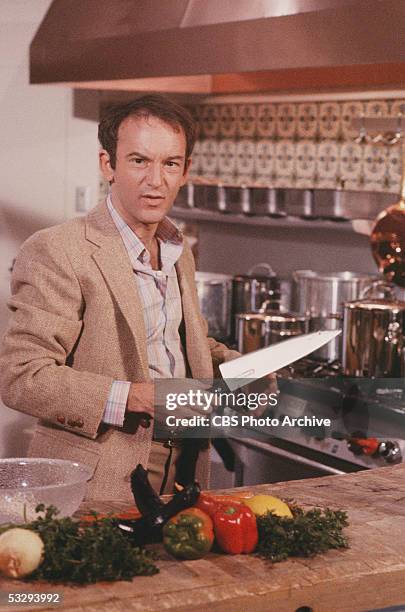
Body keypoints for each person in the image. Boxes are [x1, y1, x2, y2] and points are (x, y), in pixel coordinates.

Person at [0, 94, 240, 502]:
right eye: (139, 161)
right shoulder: (58, 250)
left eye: (170, 164)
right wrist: (137, 397)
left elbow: (175, 341)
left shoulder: (179, 251)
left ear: (186, 171)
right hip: (103, 475)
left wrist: (236, 368)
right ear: (107, 164)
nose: (156, 180)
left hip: (187, 469)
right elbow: (21, 376)